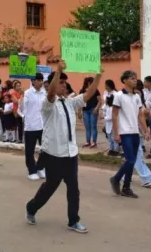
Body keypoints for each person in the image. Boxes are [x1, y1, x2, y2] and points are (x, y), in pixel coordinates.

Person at [25, 60, 101, 233]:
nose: (63, 85)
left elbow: (88, 95)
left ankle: (73, 221)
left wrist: (99, 75)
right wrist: (57, 71)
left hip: (70, 154)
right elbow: (51, 93)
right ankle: (31, 208)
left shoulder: (70, 102)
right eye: (60, 82)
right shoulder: (47, 105)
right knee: (50, 187)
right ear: (50, 84)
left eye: (65, 83)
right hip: (53, 154)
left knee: (73, 189)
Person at [109, 71, 151, 198]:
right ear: (125, 80)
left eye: (135, 78)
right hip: (124, 132)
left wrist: (145, 129)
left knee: (131, 161)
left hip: (135, 132)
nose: (135, 80)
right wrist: (116, 133)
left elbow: (140, 115)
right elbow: (114, 114)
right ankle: (116, 179)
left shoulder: (137, 97)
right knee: (131, 159)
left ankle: (126, 187)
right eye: (132, 78)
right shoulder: (119, 95)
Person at [22, 73, 46, 180]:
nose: (41, 82)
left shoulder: (44, 93)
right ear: (33, 81)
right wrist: (26, 117)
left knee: (46, 149)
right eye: (38, 80)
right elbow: (21, 109)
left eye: (42, 80)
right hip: (31, 126)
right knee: (30, 151)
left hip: (43, 126)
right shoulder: (27, 93)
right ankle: (31, 170)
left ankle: (40, 167)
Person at [79, 77, 102, 148]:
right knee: (87, 127)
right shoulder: (82, 90)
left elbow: (100, 101)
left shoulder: (95, 90)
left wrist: (96, 108)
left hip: (93, 109)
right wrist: (79, 111)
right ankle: (88, 141)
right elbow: (80, 101)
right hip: (85, 110)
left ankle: (94, 142)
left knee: (93, 126)